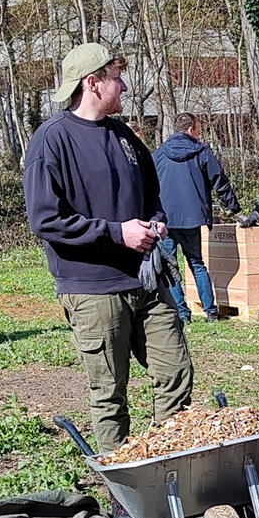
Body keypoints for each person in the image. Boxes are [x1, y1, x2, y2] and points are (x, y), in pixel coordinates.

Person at [24, 43, 194, 456]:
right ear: (93, 83)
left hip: (147, 282)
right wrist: (118, 234)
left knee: (176, 373)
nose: (123, 85)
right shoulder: (51, 140)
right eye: (116, 78)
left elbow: (152, 195)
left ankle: (169, 466)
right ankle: (126, 491)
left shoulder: (124, 138)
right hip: (93, 289)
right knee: (110, 394)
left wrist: (156, 219)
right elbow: (45, 220)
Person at [155, 112, 241, 322]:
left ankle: (182, 314)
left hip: (165, 220)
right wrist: (235, 209)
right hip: (192, 218)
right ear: (191, 130)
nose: (199, 135)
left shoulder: (158, 154)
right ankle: (210, 312)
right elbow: (219, 181)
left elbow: (147, 186)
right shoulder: (201, 151)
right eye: (199, 130)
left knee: (170, 267)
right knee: (197, 263)